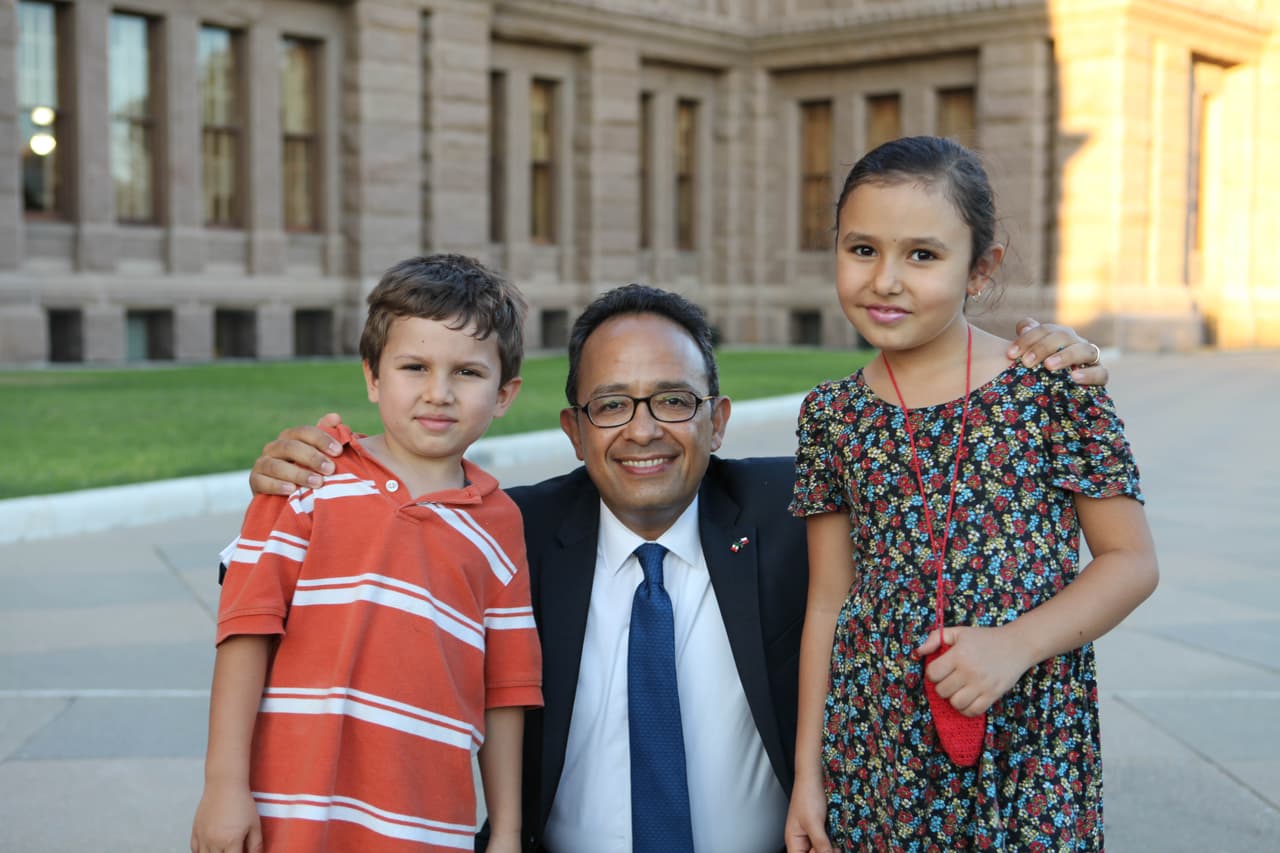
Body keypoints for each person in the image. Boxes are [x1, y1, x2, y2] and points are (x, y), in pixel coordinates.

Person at [246, 288, 1109, 853]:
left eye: (675, 400)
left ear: (721, 418)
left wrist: (1040, 356)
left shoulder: (798, 513)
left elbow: (939, 470)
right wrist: (309, 470)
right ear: (574, 429)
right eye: (612, 405)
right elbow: (342, 574)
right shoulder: (507, 532)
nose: (645, 429)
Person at [785, 136, 1158, 853]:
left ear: (979, 270)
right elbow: (829, 599)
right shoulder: (830, 413)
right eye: (862, 249)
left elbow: (1131, 561)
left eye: (922, 255)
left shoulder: (1052, 385)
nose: (885, 279)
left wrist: (1015, 644)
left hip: (1026, 742)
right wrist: (809, 773)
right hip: (877, 750)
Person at [193, 255, 543, 853]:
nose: (439, 393)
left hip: (427, 823)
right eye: (414, 366)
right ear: (373, 377)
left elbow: (506, 687)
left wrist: (507, 832)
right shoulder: (308, 478)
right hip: (288, 811)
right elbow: (245, 631)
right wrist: (223, 786)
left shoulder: (500, 524)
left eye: (467, 373)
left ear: (504, 392)